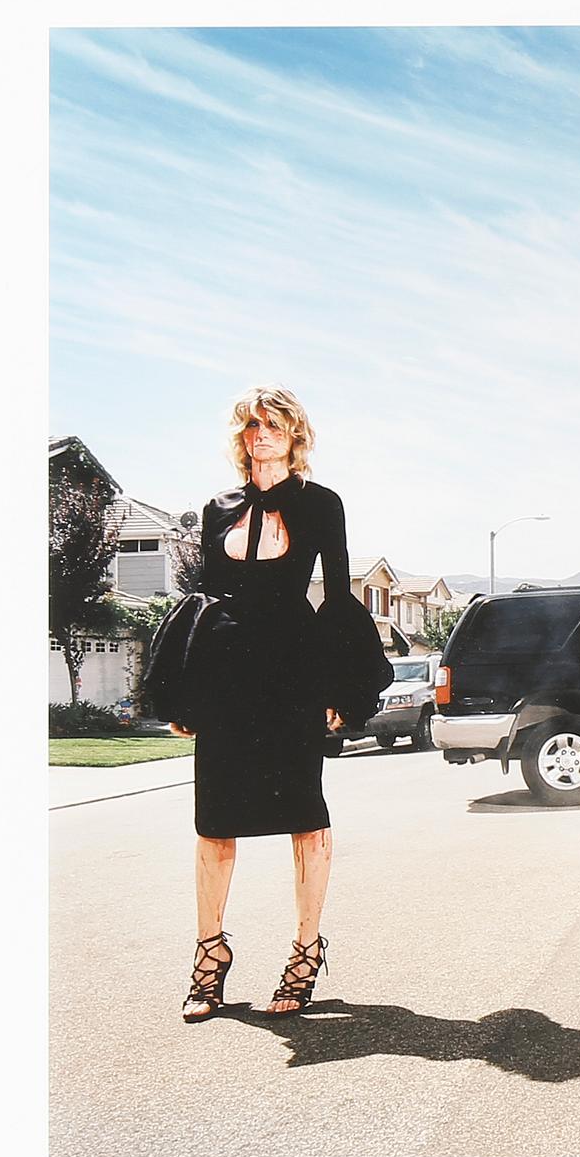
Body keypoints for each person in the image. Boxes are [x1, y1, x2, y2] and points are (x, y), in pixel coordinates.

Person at [175, 387, 387, 1023]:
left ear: (296, 437)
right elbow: (204, 603)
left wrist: (336, 689)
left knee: (304, 815)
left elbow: (338, 601)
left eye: (273, 425)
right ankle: (209, 956)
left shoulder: (322, 505)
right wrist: (189, 687)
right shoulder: (217, 509)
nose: (260, 434)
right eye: (251, 425)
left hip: (293, 677)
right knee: (214, 823)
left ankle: (304, 951)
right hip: (228, 683)